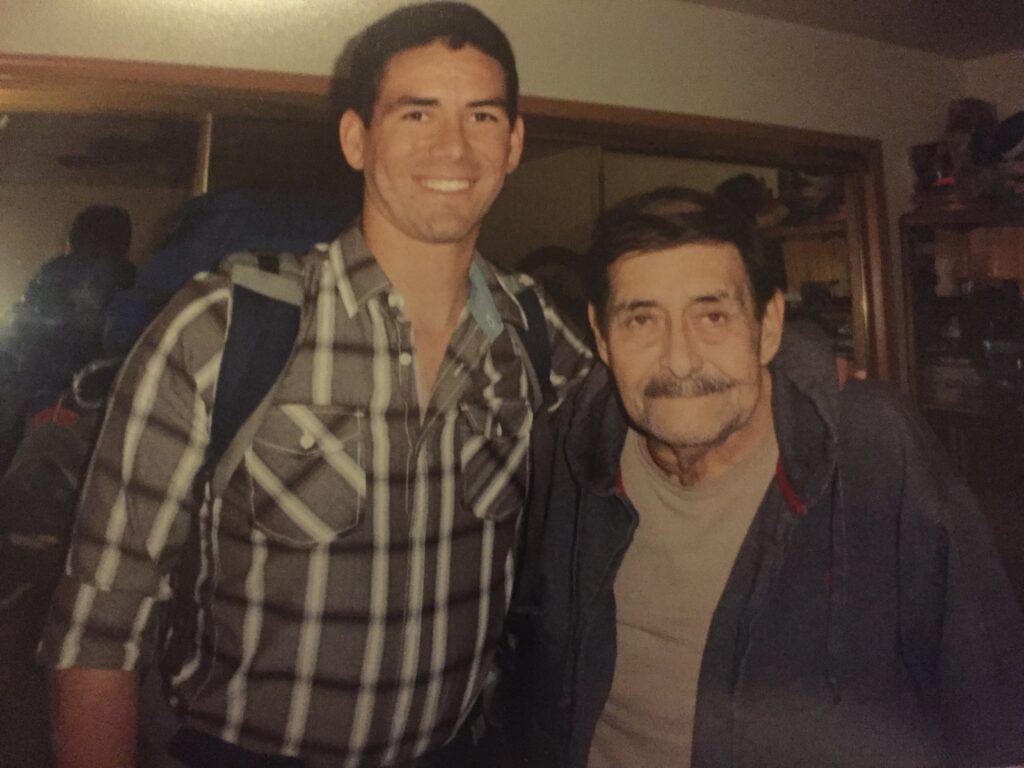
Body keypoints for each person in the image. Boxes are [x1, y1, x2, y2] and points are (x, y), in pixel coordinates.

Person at [38, 5, 591, 767]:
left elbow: (659, 442)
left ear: (515, 142)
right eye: (417, 112)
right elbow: (101, 624)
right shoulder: (221, 327)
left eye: (482, 115)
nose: (453, 146)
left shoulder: (538, 333)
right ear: (356, 138)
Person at [525, 186, 1024, 767]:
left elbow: (992, 700)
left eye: (712, 316)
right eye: (641, 320)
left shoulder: (870, 446)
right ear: (602, 337)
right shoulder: (570, 447)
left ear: (767, 325)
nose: (680, 360)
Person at [0, 205, 134, 469]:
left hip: (34, 392)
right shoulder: (133, 279)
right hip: (97, 402)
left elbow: (23, 331)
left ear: (75, 235)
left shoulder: (52, 273)